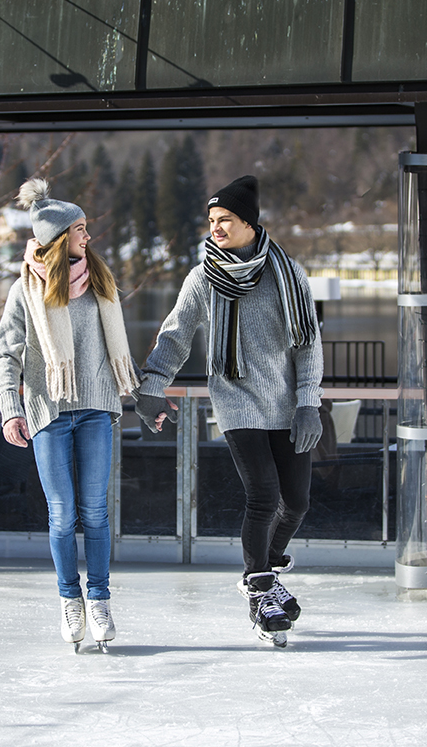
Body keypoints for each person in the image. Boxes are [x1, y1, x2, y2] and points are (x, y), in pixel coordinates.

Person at [135, 175, 323, 646]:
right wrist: (153, 386)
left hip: (285, 402)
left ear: (250, 224)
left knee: (296, 502)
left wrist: (308, 403)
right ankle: (259, 584)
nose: (215, 229)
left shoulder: (288, 274)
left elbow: (308, 346)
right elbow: (176, 335)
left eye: (225, 221)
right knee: (263, 496)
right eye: (212, 221)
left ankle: (267, 567)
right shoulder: (203, 278)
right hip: (236, 399)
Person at [0, 177, 140, 651]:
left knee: (95, 512)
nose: (87, 237)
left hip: (97, 406)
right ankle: (69, 599)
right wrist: (10, 408)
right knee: (62, 515)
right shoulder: (25, 291)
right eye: (79, 229)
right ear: (59, 239)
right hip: (48, 409)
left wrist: (145, 397)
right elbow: (6, 353)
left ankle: (99, 598)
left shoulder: (101, 280)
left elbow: (117, 348)